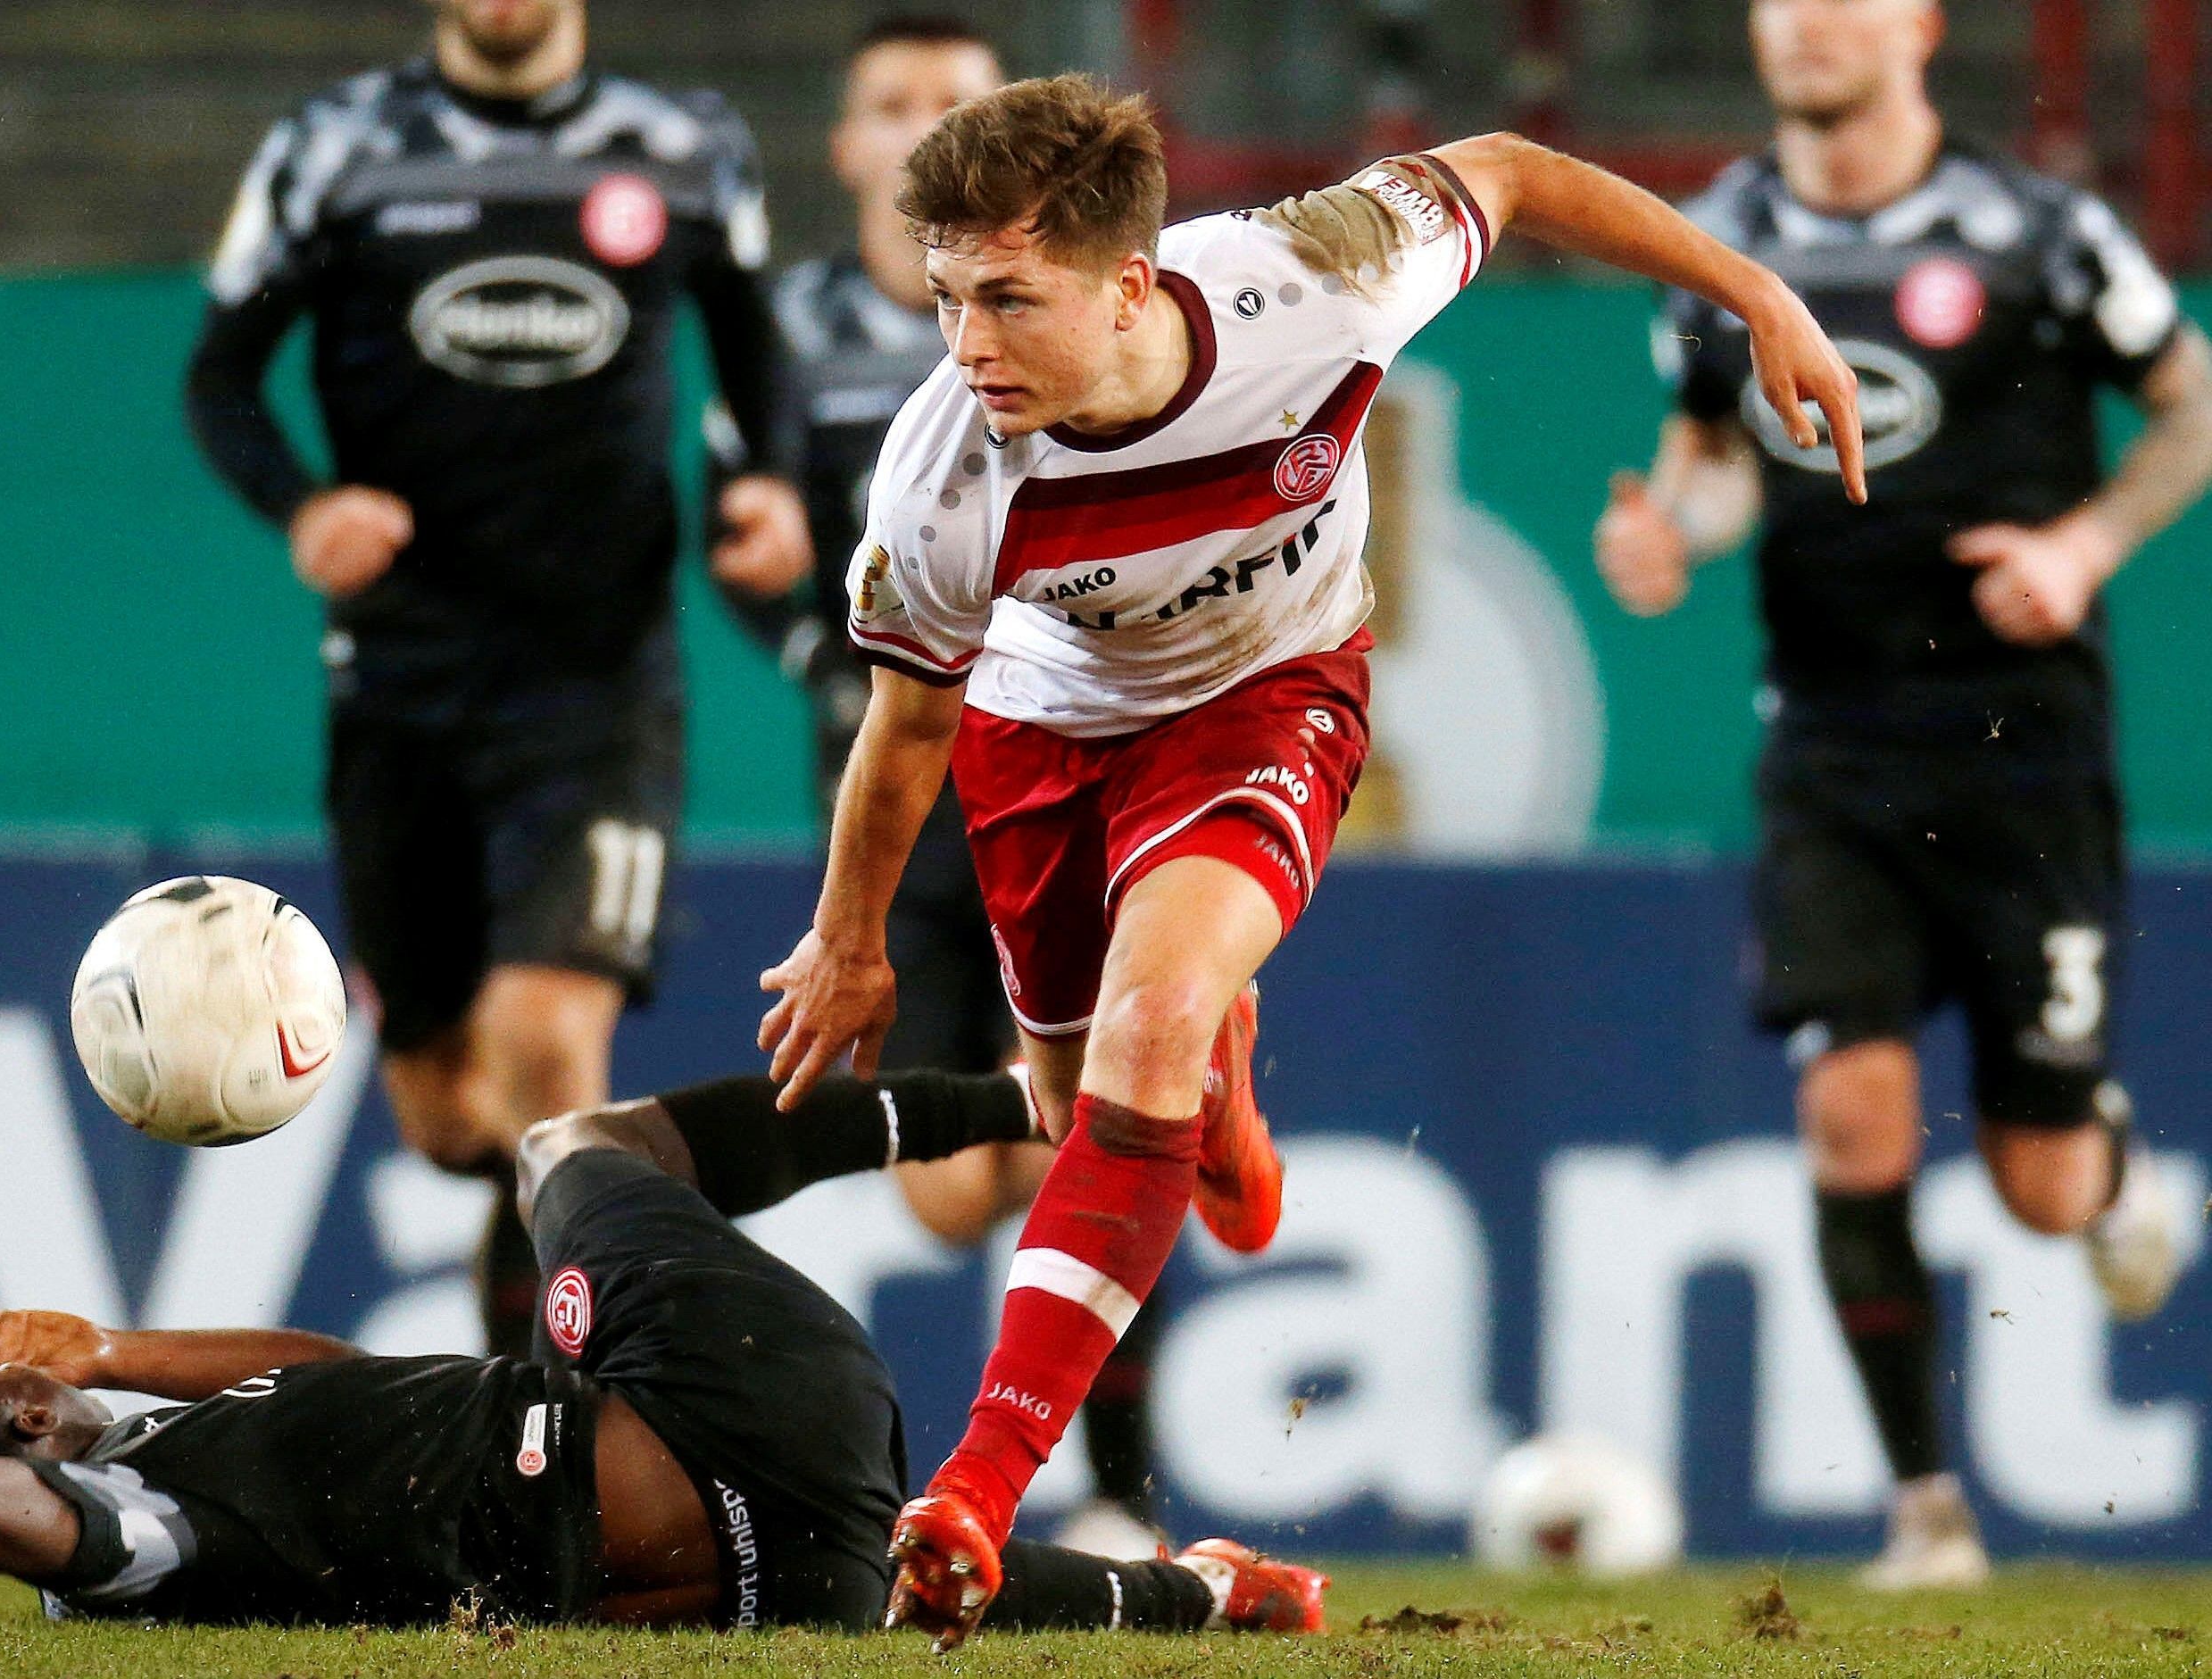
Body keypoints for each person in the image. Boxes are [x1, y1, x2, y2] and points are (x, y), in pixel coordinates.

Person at [758, 74, 1867, 1646]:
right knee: (1081, 1108)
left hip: (1267, 699)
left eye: (1008, 299)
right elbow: (907, 726)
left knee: (1148, 1021)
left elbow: (1517, 171)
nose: (966, 344)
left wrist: (1756, 292)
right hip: (1040, 742)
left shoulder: (1318, 272)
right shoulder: (943, 472)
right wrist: (849, 939)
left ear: (1132, 281)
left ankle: (977, 1491)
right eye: (946, 297)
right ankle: (1218, 1068)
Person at [0, 1067, 1327, 1636]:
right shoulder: (129, 1539)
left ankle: (1202, 1594)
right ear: (17, 1453)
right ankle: (1060, 1088)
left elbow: (319, 1367)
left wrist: (121, 1340)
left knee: (904, 1591)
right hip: (728, 1403)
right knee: (570, 1148)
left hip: (772, 1567)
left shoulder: (195, 1470)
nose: (45, 1392)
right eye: (19, 1406)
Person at [1593, 0, 2211, 1592]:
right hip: (1832, 746)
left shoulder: (2044, 234)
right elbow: (1718, 455)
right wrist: (1678, 531)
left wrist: (2084, 546)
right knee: (1851, 1111)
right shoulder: (1712, 244)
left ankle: (2110, 1162)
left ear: (1922, 26)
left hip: (2026, 755)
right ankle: (1927, 1515)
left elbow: (2192, 404)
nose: (1808, 24)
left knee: (2042, 1177)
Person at [181, 0, 811, 1359]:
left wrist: (759, 480)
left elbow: (753, 339)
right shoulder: (334, 148)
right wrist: (302, 510)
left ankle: (563, 1435)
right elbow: (220, 376)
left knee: (542, 1038)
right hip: (399, 677)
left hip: (599, 680)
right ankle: (579, 1225)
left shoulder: (686, 147)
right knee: (444, 1114)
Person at [760, 15, 1164, 1559]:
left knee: (1113, 1102)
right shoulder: (793, 331)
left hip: (1070, 758)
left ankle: (1118, 1490)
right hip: (900, 769)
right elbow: (751, 530)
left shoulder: (1100, 317)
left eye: (957, 101)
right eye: (897, 103)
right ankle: (1106, 1108)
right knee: (952, 1191)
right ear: (855, 148)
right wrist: (801, 619)